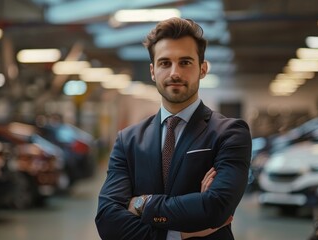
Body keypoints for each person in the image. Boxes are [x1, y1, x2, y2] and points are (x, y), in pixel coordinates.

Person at [95, 17, 252, 240]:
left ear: (203, 69)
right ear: (152, 71)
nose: (174, 73)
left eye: (185, 62)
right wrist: (178, 234)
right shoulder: (128, 140)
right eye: (165, 63)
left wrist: (140, 203)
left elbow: (216, 207)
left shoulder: (230, 133)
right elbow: (107, 221)